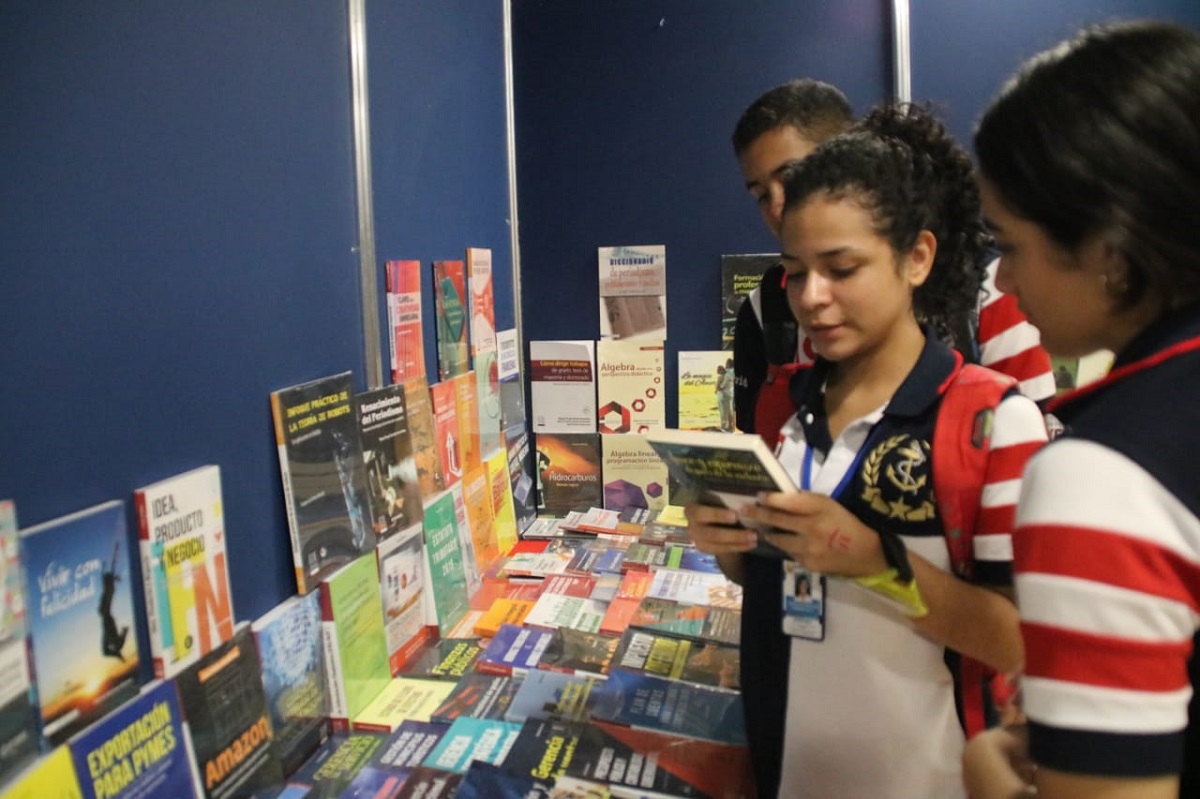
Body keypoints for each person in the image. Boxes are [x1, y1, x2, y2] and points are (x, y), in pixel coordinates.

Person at [688, 103, 1049, 798]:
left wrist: (879, 563)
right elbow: (763, 579)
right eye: (795, 272)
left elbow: (1018, 640)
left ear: (916, 257)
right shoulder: (781, 407)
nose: (812, 298)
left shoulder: (994, 423)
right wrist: (725, 538)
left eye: (841, 268)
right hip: (783, 766)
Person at [962, 20, 1200, 799]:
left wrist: (993, 782)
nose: (1000, 276)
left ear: (1109, 247)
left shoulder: (1103, 474)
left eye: (1010, 242)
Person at [730, 79, 1056, 442]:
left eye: (794, 177)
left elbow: (1029, 460)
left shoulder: (989, 293)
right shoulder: (766, 310)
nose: (778, 206)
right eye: (760, 194)